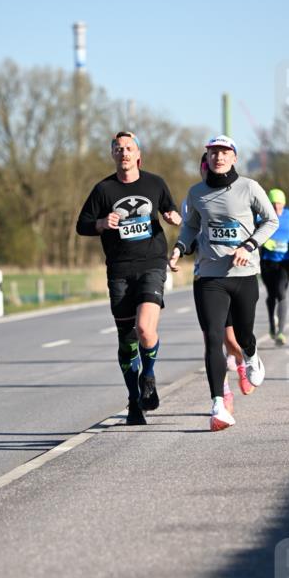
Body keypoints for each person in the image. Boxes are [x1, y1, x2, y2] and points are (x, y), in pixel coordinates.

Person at [169, 135, 278, 431]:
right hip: (209, 276)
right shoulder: (196, 193)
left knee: (243, 336)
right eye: (213, 152)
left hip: (243, 275)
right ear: (208, 157)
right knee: (213, 337)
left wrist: (250, 245)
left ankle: (252, 357)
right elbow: (190, 227)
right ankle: (218, 404)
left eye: (224, 152)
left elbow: (270, 221)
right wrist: (180, 248)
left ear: (234, 157)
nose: (218, 157)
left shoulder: (249, 187)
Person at [76, 131, 181, 425]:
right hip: (119, 270)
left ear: (138, 155)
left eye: (129, 148)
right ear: (113, 155)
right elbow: (81, 225)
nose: (124, 153)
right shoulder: (103, 190)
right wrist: (101, 222)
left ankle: (148, 376)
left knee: (145, 329)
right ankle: (134, 401)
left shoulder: (155, 183)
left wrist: (174, 218)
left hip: (152, 264)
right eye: (118, 149)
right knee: (127, 340)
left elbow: (171, 210)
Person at [187, 153, 245, 413]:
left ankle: (244, 363)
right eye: (203, 165)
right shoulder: (192, 198)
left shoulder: (232, 196)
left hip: (231, 276)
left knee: (231, 341)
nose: (207, 168)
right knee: (212, 338)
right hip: (205, 277)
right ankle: (223, 392)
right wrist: (182, 243)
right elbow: (187, 233)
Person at [260, 187, 289, 344]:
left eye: (279, 204)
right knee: (271, 295)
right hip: (267, 261)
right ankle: (272, 325)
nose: (277, 207)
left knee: (281, 294)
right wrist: (264, 241)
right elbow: (252, 230)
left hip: (284, 261)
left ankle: (281, 332)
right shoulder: (262, 216)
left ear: (284, 203)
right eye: (273, 204)